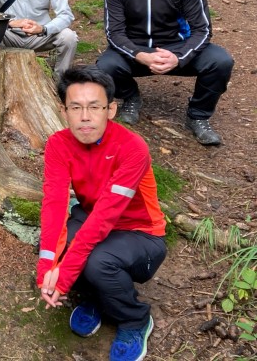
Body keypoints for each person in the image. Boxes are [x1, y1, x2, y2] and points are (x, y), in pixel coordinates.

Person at [38, 66, 166, 361]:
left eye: (94, 107)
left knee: (97, 261)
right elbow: (54, 205)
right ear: (64, 111)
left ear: (111, 110)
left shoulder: (132, 148)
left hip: (140, 232)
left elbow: (105, 218)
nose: (85, 116)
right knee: (56, 247)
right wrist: (47, 270)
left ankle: (135, 318)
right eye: (76, 107)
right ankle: (95, 298)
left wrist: (65, 276)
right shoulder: (58, 144)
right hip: (91, 216)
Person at [96, 0, 234, 145]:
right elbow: (114, 33)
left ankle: (198, 116)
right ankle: (131, 97)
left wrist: (178, 57)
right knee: (105, 66)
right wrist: (140, 54)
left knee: (221, 61)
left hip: (178, 49)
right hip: (137, 52)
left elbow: (202, 29)